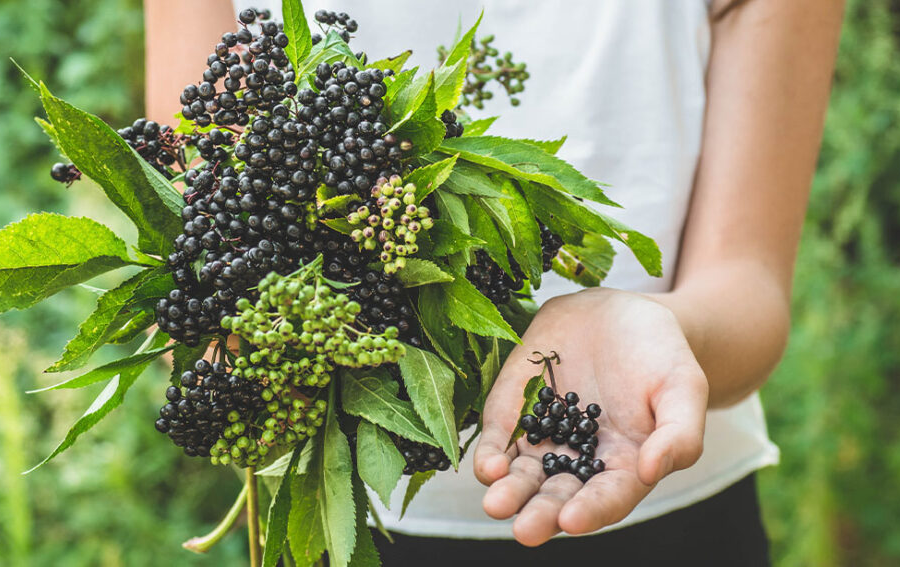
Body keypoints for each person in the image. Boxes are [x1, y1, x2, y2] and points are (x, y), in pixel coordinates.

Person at [145, 0, 844, 564]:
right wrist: (246, 343)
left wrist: (667, 331)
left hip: (667, 509)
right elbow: (197, 226)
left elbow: (747, 283)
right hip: (354, 523)